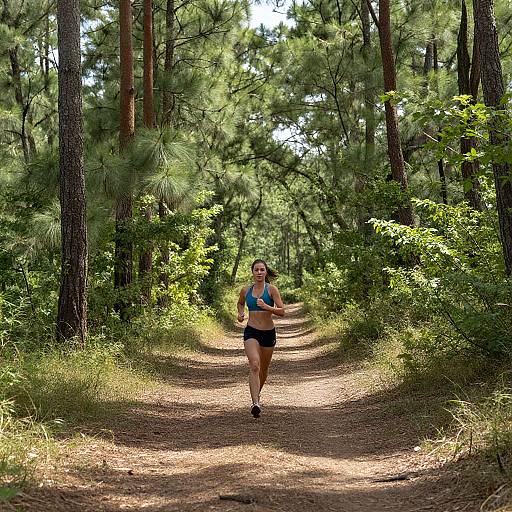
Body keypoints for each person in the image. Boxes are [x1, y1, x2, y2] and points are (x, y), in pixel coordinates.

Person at [237, 259, 285, 418]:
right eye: (256, 270)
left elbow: (282, 311)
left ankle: (257, 395)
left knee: (263, 370)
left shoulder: (272, 290)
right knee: (255, 365)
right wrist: (241, 313)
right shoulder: (246, 290)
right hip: (251, 331)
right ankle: (255, 403)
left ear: (266, 272)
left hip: (268, 333)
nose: (259, 272)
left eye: (262, 270)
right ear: (252, 272)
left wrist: (266, 307)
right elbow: (240, 303)